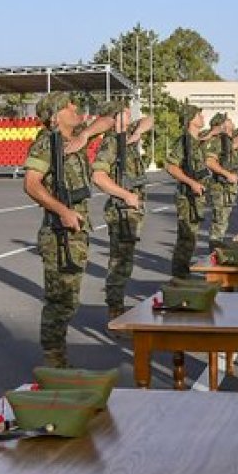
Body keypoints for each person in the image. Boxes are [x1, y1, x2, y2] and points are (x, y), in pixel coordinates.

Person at [23, 93, 113, 367]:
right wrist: (62, 211)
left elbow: (108, 120)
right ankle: (54, 360)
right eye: (67, 107)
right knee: (59, 299)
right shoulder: (46, 144)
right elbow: (31, 184)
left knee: (69, 298)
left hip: (76, 229)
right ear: (54, 116)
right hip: (58, 231)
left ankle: (57, 356)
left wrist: (84, 136)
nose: (75, 109)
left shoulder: (75, 139)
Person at [90, 100, 153, 323]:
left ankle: (117, 306)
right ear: (113, 119)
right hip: (122, 209)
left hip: (132, 209)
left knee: (125, 262)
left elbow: (150, 120)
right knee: (119, 263)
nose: (129, 114)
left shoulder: (126, 136)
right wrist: (125, 195)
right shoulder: (111, 143)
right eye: (124, 113)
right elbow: (98, 176)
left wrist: (135, 134)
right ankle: (115, 310)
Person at [164, 103, 210, 279]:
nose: (202, 118)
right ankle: (179, 277)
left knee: (191, 238)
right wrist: (191, 183)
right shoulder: (184, 142)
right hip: (187, 196)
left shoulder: (196, 142)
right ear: (191, 119)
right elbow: (171, 167)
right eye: (199, 115)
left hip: (196, 197)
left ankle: (183, 274)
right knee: (186, 238)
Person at [204, 113, 238, 249]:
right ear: (222, 125)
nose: (231, 121)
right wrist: (227, 174)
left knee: (224, 217)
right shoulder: (217, 140)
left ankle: (217, 245)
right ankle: (215, 247)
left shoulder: (233, 135)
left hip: (230, 186)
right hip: (220, 184)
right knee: (219, 218)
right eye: (228, 120)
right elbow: (209, 161)